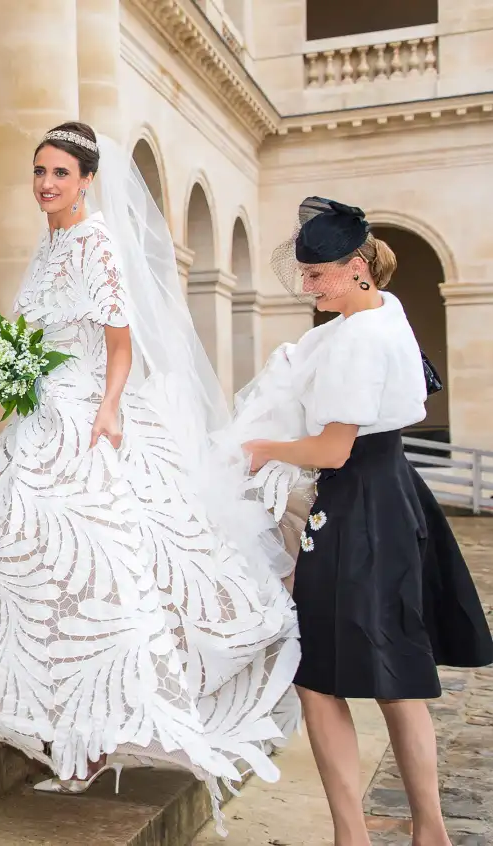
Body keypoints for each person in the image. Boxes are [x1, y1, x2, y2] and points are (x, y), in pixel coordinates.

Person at [0, 122, 301, 832]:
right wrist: (12, 371)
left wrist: (106, 412)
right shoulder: (48, 242)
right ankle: (42, 704)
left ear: (86, 179)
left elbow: (120, 341)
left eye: (59, 174)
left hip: (87, 415)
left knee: (93, 563)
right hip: (42, 409)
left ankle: (94, 727)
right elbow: (35, 332)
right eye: (39, 172)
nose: (45, 184)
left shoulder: (97, 241)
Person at [242, 197, 493, 846]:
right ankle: (427, 831)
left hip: (356, 506)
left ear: (356, 267)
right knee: (396, 677)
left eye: (316, 273)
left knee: (319, 677)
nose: (306, 284)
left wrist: (263, 450)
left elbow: (332, 450)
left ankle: (355, 836)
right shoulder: (387, 312)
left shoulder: (358, 337)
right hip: (395, 494)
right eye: (303, 272)